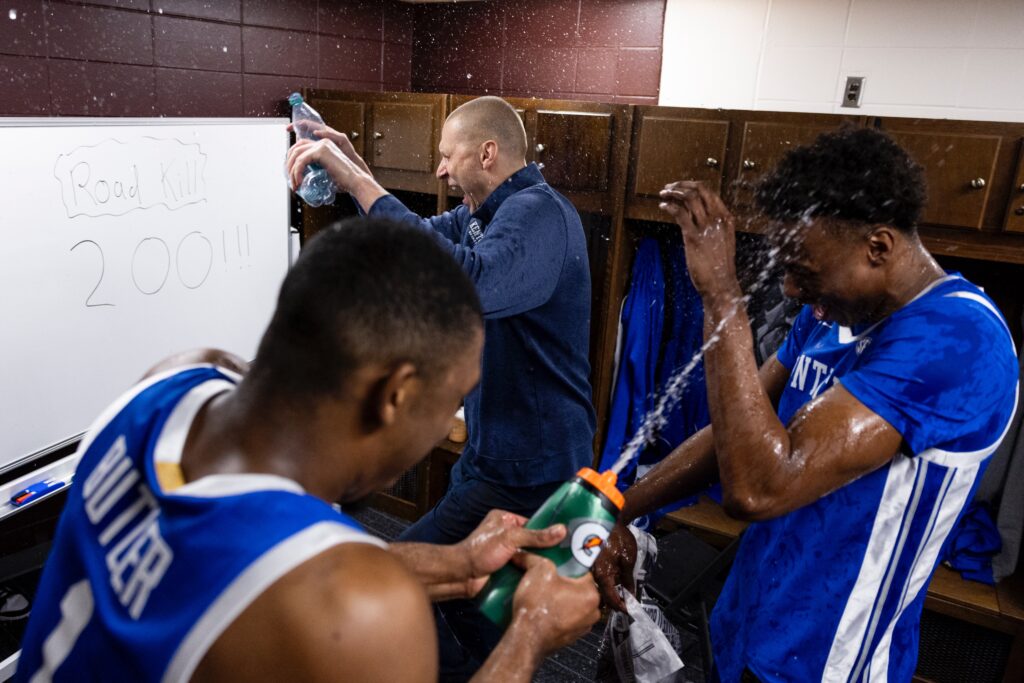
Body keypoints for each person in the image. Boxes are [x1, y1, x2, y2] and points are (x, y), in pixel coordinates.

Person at [16, 218, 600, 683]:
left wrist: (460, 564)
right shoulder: (355, 609)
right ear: (394, 394)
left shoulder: (174, 382)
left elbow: (236, 568)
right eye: (453, 399)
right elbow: (319, 590)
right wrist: (531, 632)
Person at [593, 128, 1019, 682]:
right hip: (746, 625)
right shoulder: (834, 317)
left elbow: (759, 485)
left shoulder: (958, 340)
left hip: (829, 662)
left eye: (805, 270)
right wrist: (618, 510)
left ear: (879, 247)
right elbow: (733, 437)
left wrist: (722, 295)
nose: (790, 290)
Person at [286, 95, 596, 676]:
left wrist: (356, 176)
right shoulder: (483, 214)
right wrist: (360, 178)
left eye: (446, 156)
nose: (439, 170)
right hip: (493, 458)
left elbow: (466, 283)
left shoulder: (539, 213)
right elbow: (414, 248)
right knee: (477, 605)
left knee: (399, 579)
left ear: (487, 151)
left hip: (532, 471)